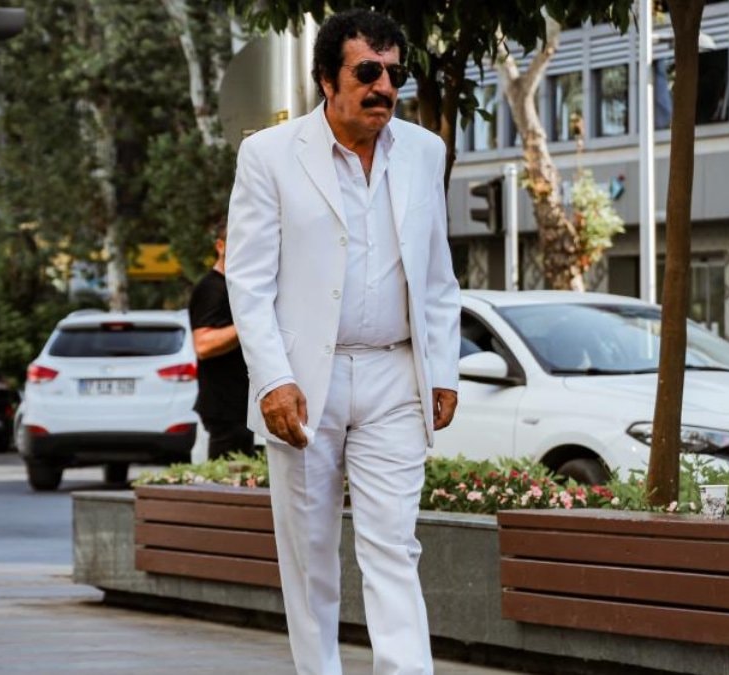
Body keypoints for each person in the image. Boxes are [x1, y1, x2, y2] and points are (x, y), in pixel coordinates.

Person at [224, 9, 460, 674]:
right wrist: (272, 379)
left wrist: (443, 368)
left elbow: (437, 274)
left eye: (394, 74)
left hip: (394, 375)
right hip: (304, 382)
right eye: (367, 72)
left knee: (394, 546)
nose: (384, 87)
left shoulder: (424, 152)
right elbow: (249, 279)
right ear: (327, 80)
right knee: (310, 556)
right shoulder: (269, 155)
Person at [188, 234, 254, 459]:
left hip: (241, 403)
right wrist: (249, 323)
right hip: (223, 406)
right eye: (237, 239)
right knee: (228, 475)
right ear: (220, 245)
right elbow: (203, 345)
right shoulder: (211, 288)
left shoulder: (235, 286)